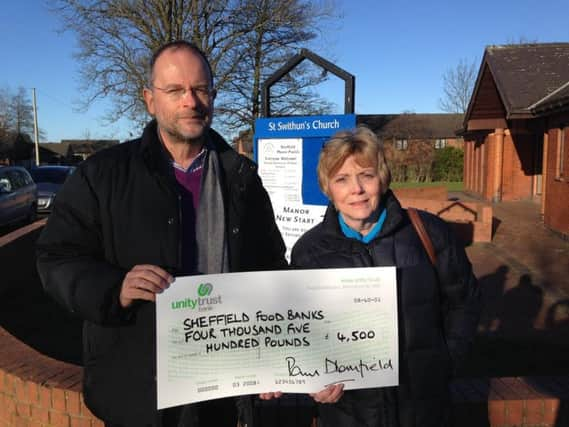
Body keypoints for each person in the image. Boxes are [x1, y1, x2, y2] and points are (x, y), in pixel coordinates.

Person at [36, 40, 286, 426]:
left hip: (220, 390)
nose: (191, 101)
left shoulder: (242, 179)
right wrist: (112, 288)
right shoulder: (102, 175)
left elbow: (270, 267)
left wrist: (273, 352)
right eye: (175, 90)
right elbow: (56, 257)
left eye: (201, 89)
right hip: (136, 393)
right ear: (150, 100)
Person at [290, 126, 481, 427]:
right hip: (348, 412)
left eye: (366, 175)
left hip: (423, 409)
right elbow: (301, 332)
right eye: (342, 179)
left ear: (382, 178)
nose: (356, 189)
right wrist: (313, 378)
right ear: (328, 188)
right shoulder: (309, 252)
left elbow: (465, 302)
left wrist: (446, 360)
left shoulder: (428, 233)